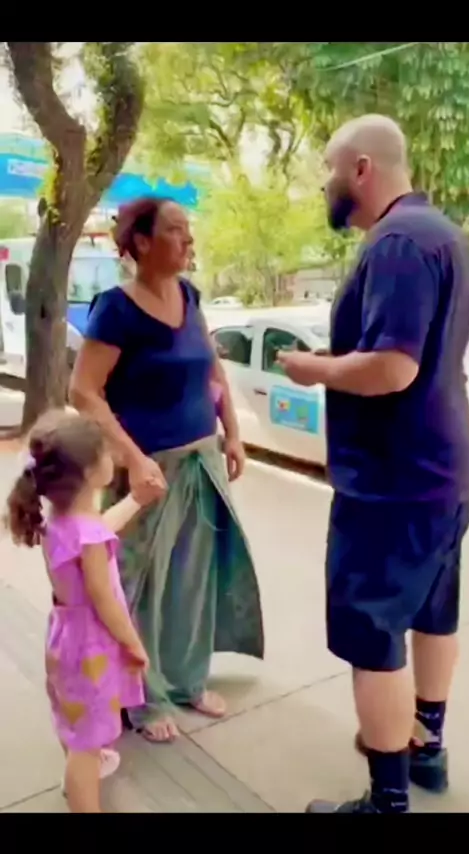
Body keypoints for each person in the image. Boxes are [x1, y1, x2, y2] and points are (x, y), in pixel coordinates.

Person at [278, 114, 469, 814]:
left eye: (330, 169)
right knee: (432, 611)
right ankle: (427, 747)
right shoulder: (443, 233)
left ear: (361, 168)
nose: (325, 184)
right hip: (440, 474)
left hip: (392, 483)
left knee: (373, 633)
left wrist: (314, 368)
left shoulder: (397, 242)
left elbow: (393, 367)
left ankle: (387, 800)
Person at [69, 196, 264, 744]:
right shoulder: (116, 309)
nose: (188, 239)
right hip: (146, 473)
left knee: (192, 580)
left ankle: (185, 680)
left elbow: (213, 369)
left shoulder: (189, 295)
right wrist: (132, 459)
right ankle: (141, 695)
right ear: (142, 242)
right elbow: (83, 390)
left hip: (202, 459)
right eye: (176, 230)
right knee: (137, 587)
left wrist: (232, 433)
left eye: (187, 229)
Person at [5, 410, 150, 813]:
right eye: (106, 452)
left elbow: (98, 526)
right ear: (89, 472)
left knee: (74, 720)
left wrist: (136, 500)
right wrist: (133, 643)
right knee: (85, 745)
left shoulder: (60, 519)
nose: (113, 457)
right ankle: (83, 788)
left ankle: (81, 767)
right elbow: (104, 599)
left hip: (66, 638)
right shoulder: (89, 536)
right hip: (92, 645)